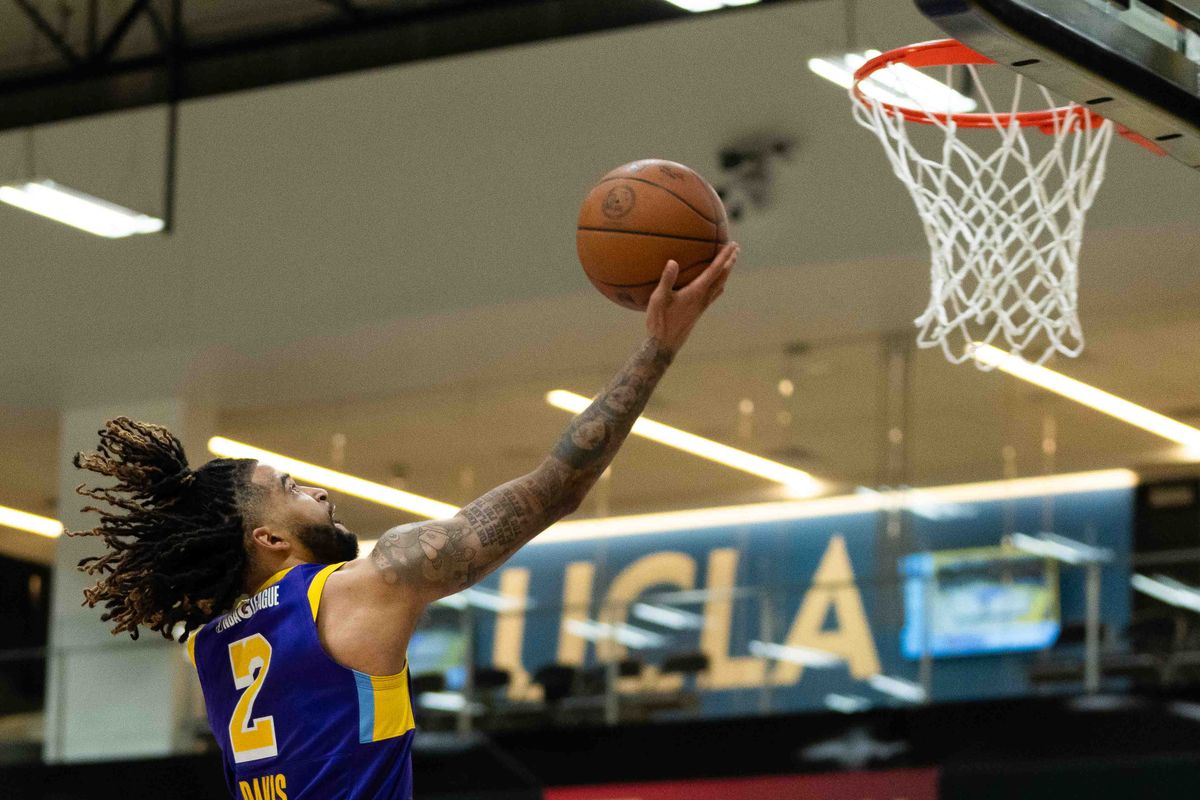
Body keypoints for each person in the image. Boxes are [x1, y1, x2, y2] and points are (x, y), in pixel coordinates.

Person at [69, 243, 738, 800]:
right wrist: (657, 348)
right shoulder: (363, 586)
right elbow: (556, 489)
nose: (320, 492)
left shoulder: (207, 644)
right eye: (292, 488)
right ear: (267, 538)